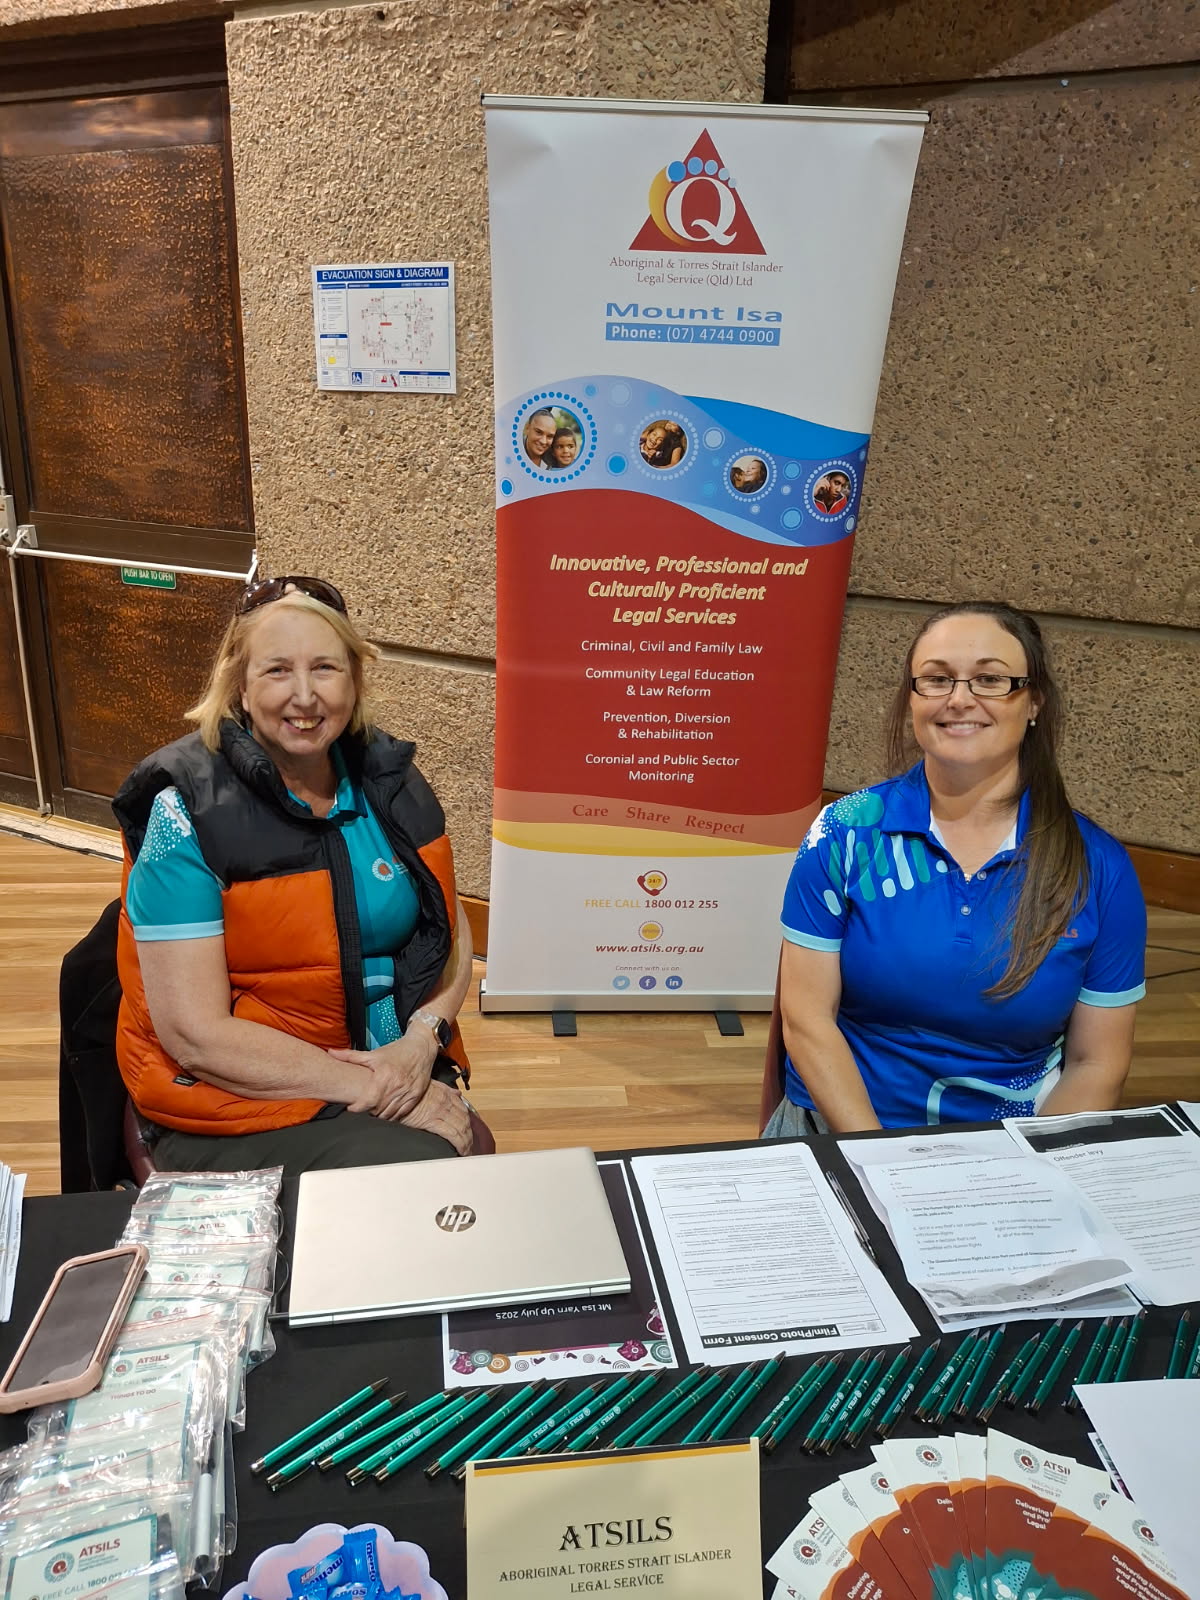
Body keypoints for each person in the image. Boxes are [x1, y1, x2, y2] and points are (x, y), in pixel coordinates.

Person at [112, 576, 475, 1175]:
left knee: (448, 1189)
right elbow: (194, 1035)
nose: (304, 696)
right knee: (424, 1177)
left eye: (325, 668)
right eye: (277, 670)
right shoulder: (185, 814)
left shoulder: (392, 784)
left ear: (354, 681)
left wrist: (422, 1040)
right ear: (240, 686)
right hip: (238, 1097)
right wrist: (379, 1087)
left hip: (391, 1063)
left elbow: (451, 929)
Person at [768, 602, 1146, 1134]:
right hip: (843, 1130)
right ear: (912, 699)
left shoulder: (1099, 866)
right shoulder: (843, 831)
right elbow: (807, 1022)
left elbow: (1097, 1063)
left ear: (1034, 701)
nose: (960, 699)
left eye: (990, 679)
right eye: (937, 679)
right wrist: (876, 1157)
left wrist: (1023, 1170)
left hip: (1011, 1152)